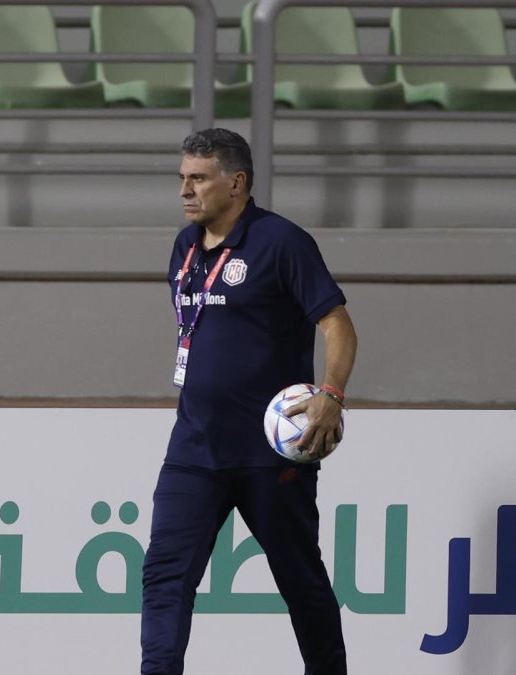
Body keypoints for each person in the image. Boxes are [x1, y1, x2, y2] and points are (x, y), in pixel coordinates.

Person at [140, 127, 358, 675]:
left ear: (236, 182)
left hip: (270, 455)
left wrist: (331, 394)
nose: (185, 191)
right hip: (194, 449)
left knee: (301, 581)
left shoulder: (281, 242)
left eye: (198, 178)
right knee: (165, 577)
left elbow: (337, 324)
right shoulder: (184, 248)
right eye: (182, 178)